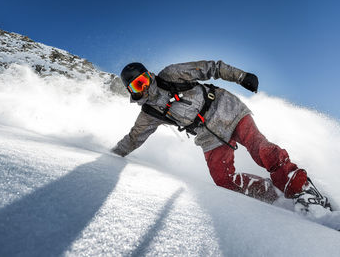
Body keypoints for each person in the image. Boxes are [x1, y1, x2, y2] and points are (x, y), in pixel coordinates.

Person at [111, 61, 331, 216]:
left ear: (150, 74)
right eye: (137, 85)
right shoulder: (149, 114)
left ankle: (301, 189)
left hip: (227, 109)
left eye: (145, 79)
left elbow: (211, 68)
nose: (146, 86)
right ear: (132, 92)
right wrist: (110, 156)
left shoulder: (171, 75)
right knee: (223, 180)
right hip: (209, 136)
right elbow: (133, 138)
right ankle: (272, 196)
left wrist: (242, 76)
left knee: (261, 150)